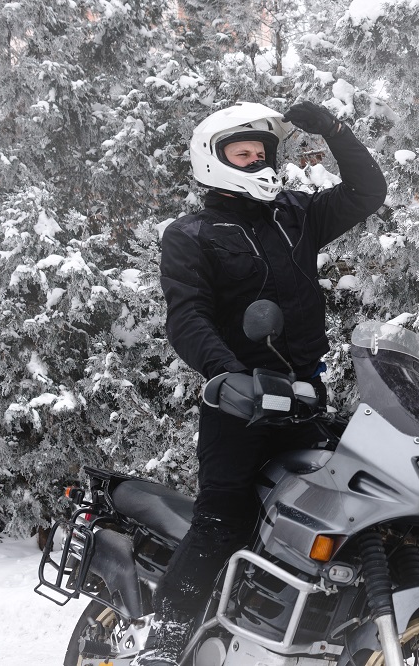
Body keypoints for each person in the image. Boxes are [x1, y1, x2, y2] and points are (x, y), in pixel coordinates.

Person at [134, 101, 387, 666]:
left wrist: (336, 132)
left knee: (335, 517)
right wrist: (224, 374)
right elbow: (187, 315)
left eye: (261, 153)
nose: (255, 163)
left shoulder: (294, 215)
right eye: (241, 154)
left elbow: (368, 192)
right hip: (239, 402)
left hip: (303, 395)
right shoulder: (191, 234)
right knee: (223, 522)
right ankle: (164, 645)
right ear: (212, 161)